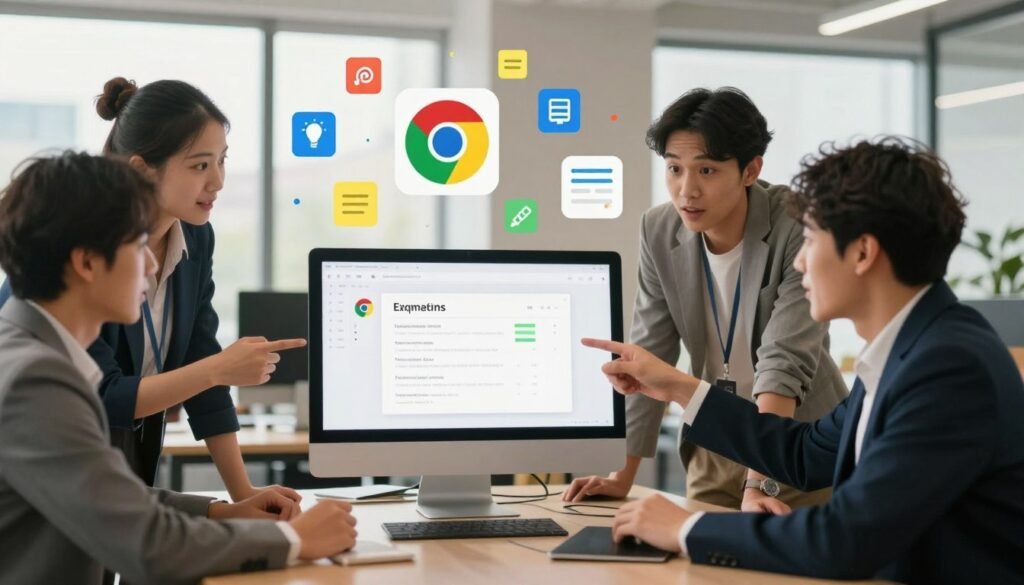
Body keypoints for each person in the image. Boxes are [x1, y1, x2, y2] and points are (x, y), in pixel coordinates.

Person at [583, 137, 1024, 583]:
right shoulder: (911, 349)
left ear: (863, 252)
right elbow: (802, 452)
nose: (797, 261)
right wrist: (678, 387)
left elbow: (845, 539)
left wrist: (686, 527)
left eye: (810, 239)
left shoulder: (948, 367)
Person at [0, 151, 358, 584]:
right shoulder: (35, 381)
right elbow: (146, 543)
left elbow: (105, 496)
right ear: (87, 262)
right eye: (138, 246)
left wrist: (221, 511)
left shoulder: (32, 354)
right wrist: (295, 541)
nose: (152, 265)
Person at [0, 77, 304, 501]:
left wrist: (243, 493)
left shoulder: (196, 239)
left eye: (222, 161)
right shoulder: (84, 249)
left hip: (126, 462)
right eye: (200, 165)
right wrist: (217, 369)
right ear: (142, 169)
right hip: (58, 463)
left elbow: (200, 355)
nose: (217, 181)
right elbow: (102, 392)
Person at [565, 87, 846, 512]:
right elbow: (649, 351)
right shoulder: (659, 230)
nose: (686, 191)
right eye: (674, 169)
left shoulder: (796, 224)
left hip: (796, 447)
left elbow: (784, 360)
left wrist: (760, 484)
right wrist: (622, 474)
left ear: (750, 170)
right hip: (713, 444)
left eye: (707, 171)